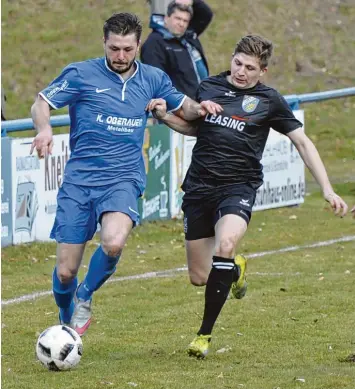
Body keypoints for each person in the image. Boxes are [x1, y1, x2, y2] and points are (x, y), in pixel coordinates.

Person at [148, 34, 349, 358]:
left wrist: (326, 189)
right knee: (200, 277)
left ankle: (204, 335)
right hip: (199, 188)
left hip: (237, 188)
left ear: (263, 71)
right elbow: (195, 128)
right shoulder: (209, 87)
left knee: (226, 244)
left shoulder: (269, 100)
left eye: (250, 67)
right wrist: (164, 116)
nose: (241, 71)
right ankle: (236, 269)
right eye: (237, 63)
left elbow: (303, 142)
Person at [30, 12, 222, 337]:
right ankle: (67, 320)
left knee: (114, 242)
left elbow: (184, 107)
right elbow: (41, 102)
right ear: (104, 43)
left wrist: (202, 107)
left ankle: (85, 295)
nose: (120, 56)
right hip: (79, 181)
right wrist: (45, 129)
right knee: (65, 272)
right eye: (114, 48)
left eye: (127, 49)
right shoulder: (81, 74)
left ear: (137, 45)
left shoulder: (153, 79)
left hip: (123, 178)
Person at [141, 0, 212, 99]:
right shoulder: (154, 44)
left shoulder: (188, 36)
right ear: (166, 18)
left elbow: (205, 14)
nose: (181, 24)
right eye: (177, 19)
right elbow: (157, 84)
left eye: (185, 21)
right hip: (183, 108)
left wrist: (192, 1)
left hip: (205, 101)